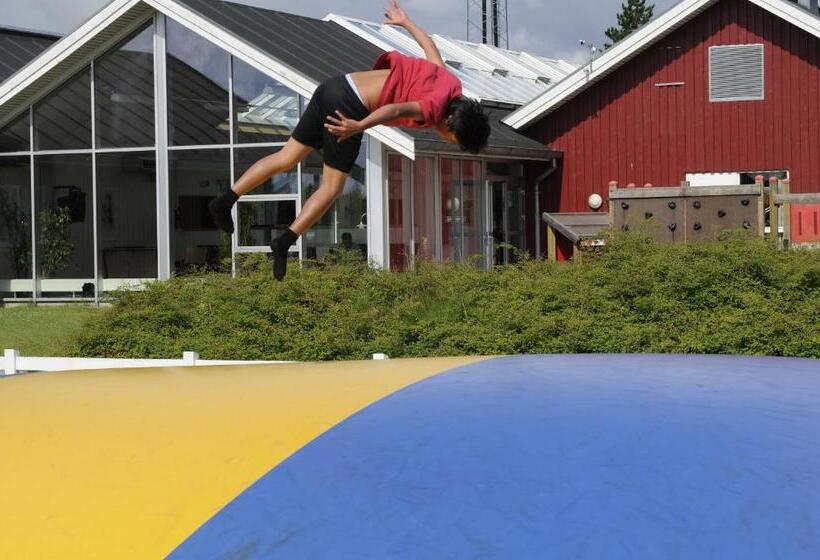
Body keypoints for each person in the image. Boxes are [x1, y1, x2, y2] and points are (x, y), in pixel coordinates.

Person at [208, 0, 491, 280]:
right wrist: (358, 126)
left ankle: (225, 200)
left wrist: (405, 21)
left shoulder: (450, 84)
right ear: (450, 123)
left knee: (286, 157)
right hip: (349, 108)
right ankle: (284, 242)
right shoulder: (433, 109)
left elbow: (429, 46)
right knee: (331, 187)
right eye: (454, 140)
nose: (449, 142)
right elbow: (394, 110)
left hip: (334, 86)